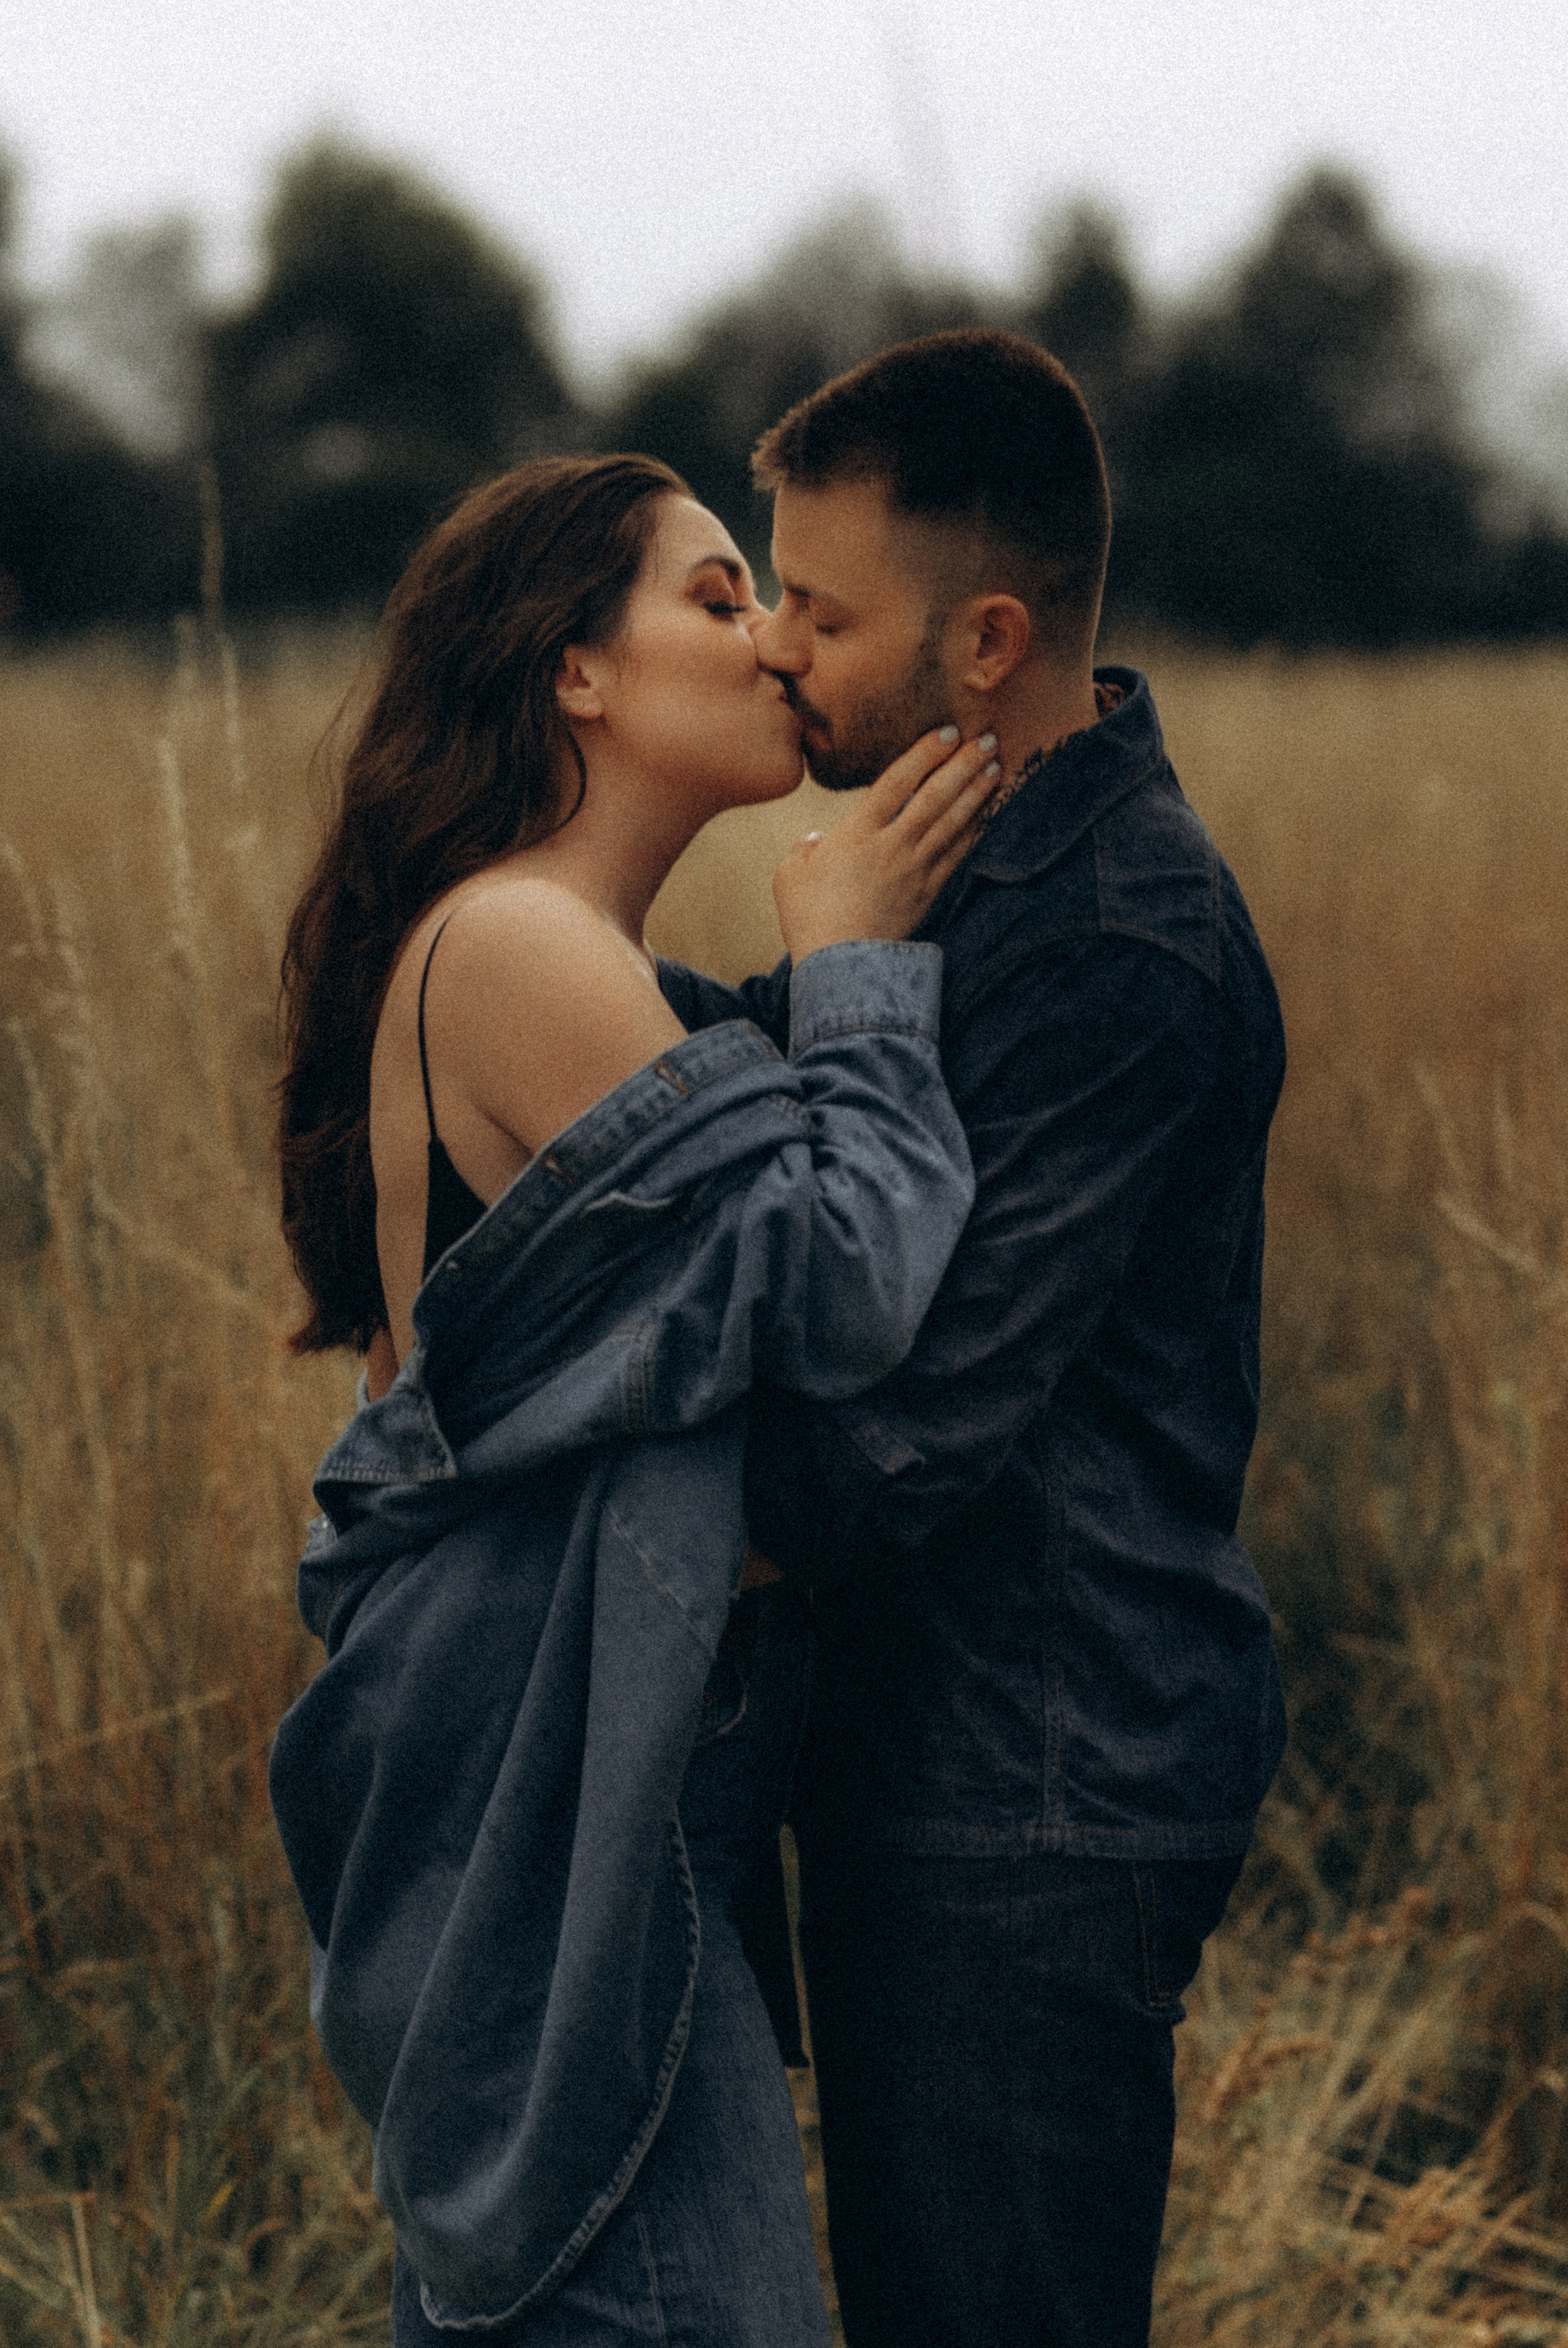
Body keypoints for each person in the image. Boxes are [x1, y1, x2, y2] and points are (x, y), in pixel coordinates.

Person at [266, 452, 999, 2345]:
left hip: (593, 1812)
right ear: (575, 672)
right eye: (717, 594)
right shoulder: (520, 942)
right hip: (570, 1826)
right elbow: (840, 1283)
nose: (773, 641)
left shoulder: (587, 964)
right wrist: (861, 977)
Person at [656, 329, 1289, 2348]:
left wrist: (590, 1531)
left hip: (1037, 1783)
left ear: (990, 638)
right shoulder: (969, 870)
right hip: (951, 1762)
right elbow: (752, 1083)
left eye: (824, 611)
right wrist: (506, 961)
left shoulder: (1113, 931)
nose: (781, 649)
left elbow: (910, 1427)